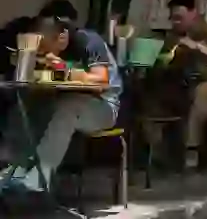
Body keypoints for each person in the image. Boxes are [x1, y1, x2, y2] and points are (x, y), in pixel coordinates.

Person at [1, 16, 122, 193]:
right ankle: (16, 167)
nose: (42, 53)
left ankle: (41, 176)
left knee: (69, 106)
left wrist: (65, 69)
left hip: (104, 107)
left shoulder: (88, 41)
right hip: (61, 102)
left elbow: (101, 82)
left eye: (44, 48)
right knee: (27, 103)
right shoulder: (50, 53)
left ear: (62, 37)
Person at [149, 0, 207, 170]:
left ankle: (192, 150)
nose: (175, 22)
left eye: (179, 18)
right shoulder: (174, 36)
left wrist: (198, 47)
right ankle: (156, 149)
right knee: (153, 91)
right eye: (172, 18)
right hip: (184, 83)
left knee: (202, 92)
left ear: (193, 13)